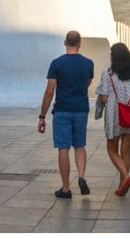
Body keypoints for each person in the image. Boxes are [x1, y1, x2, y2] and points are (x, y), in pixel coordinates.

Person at [39, 30, 96, 199]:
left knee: (63, 147)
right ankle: (82, 176)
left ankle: (65, 188)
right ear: (79, 43)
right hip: (81, 109)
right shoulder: (88, 63)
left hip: (63, 109)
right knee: (80, 145)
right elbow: (87, 83)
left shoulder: (57, 63)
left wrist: (42, 115)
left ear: (65, 43)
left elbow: (50, 91)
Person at [95, 42, 130, 197]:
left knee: (111, 149)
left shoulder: (107, 74)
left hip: (114, 115)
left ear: (114, 57)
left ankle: (125, 176)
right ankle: (122, 183)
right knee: (126, 150)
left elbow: (103, 98)